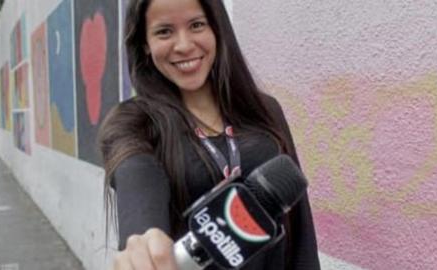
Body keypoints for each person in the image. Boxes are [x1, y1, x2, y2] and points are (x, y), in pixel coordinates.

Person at [98, 0, 320, 269]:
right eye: (164, 32)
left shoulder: (266, 110)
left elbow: (300, 228)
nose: (184, 45)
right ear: (145, 43)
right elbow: (138, 184)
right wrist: (144, 240)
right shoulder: (133, 123)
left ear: (216, 29)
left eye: (196, 25)